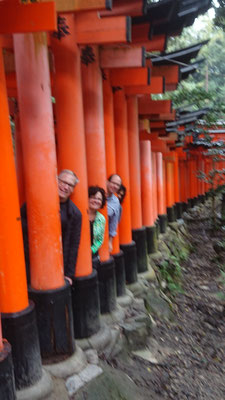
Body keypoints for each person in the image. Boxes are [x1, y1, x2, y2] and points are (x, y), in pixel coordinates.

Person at [21, 169, 82, 285]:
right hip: (31, 258)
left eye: (70, 185)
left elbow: (74, 244)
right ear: (55, 181)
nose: (65, 187)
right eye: (63, 182)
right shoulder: (36, 200)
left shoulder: (75, 213)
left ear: (73, 190)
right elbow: (20, 223)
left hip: (56, 263)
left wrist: (69, 274)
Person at [88, 186, 106, 268]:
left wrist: (91, 250)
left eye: (99, 199)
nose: (96, 201)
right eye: (93, 197)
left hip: (93, 256)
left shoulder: (101, 218)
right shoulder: (79, 214)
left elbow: (100, 240)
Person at [106, 174, 122, 252]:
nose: (115, 186)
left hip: (101, 235)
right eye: (113, 183)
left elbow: (114, 222)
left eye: (117, 185)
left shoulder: (116, 202)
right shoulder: (97, 196)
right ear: (107, 182)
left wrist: (110, 242)